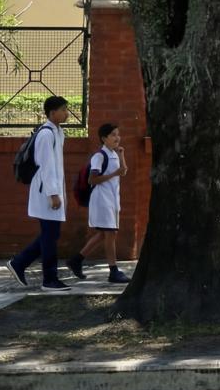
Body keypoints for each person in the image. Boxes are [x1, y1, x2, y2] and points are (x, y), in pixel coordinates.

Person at [7, 95, 71, 291]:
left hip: (52, 191)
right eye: (63, 109)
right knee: (50, 235)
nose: (67, 113)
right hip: (46, 193)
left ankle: (19, 263)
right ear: (52, 113)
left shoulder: (57, 132)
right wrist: (53, 194)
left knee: (50, 234)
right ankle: (49, 280)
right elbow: (46, 167)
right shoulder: (46, 135)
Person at [67, 123, 130, 284]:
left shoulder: (114, 154)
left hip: (112, 199)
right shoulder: (99, 156)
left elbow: (123, 171)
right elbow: (92, 179)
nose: (117, 137)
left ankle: (76, 260)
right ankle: (113, 271)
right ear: (104, 138)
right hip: (102, 200)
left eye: (118, 134)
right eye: (113, 135)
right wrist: (115, 173)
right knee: (110, 234)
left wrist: (121, 155)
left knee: (104, 234)